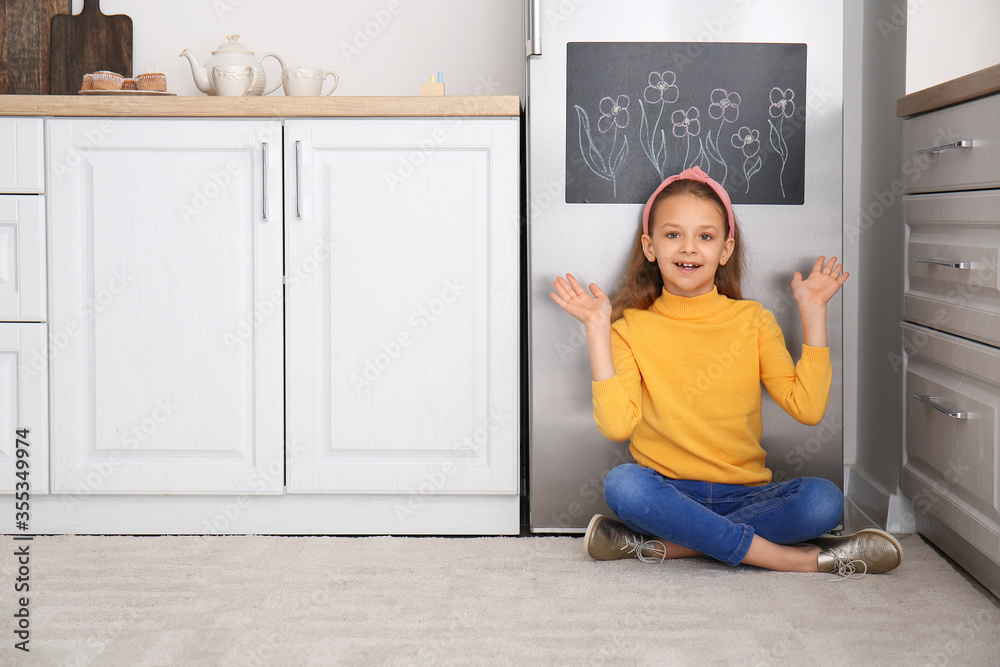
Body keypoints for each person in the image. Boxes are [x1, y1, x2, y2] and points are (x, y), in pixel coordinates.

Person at [550, 166, 901, 578]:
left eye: (705, 236)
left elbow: (807, 409)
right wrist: (597, 329)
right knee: (624, 484)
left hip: (748, 495)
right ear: (650, 246)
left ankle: (672, 546)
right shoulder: (628, 329)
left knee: (824, 500)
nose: (689, 248)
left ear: (725, 249)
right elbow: (616, 425)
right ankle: (791, 559)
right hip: (668, 493)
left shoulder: (753, 320)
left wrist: (814, 312)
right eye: (673, 234)